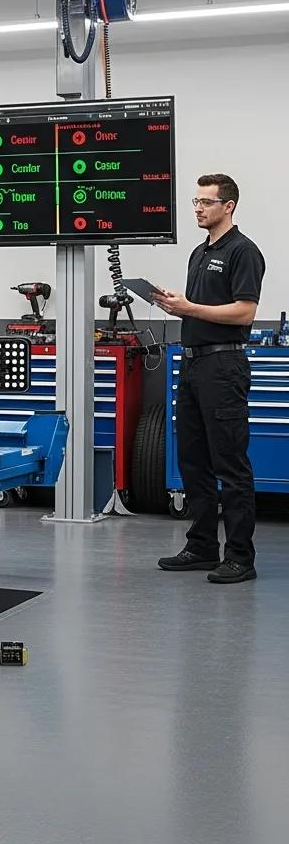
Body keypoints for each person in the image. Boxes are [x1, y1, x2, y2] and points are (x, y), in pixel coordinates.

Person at [153, 174, 265, 584]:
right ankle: (201, 546)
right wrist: (177, 307)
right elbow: (199, 308)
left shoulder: (243, 251)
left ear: (228, 206)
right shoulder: (199, 253)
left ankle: (240, 557)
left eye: (206, 202)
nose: (198, 208)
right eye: (195, 201)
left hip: (224, 367)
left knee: (230, 463)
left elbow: (244, 313)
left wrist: (190, 308)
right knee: (193, 460)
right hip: (194, 364)